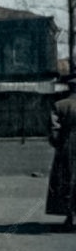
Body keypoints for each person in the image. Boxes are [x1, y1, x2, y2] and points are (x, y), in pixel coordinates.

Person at [46, 77, 76, 231]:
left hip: (67, 147)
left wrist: (58, 144)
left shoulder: (60, 105)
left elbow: (54, 131)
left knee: (67, 179)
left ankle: (70, 216)